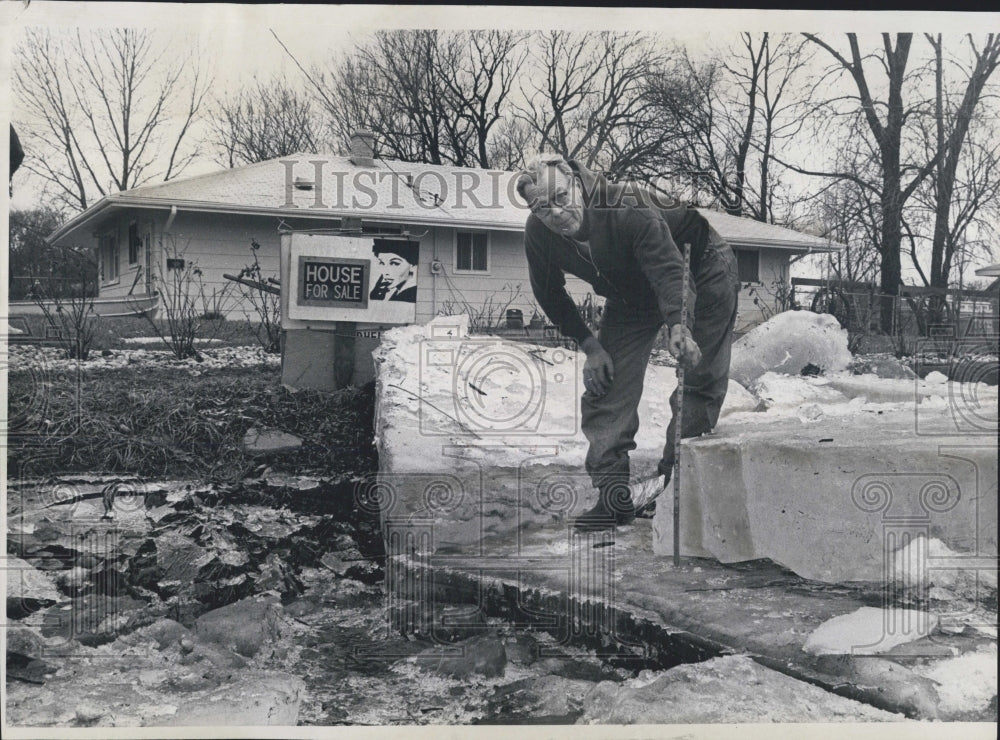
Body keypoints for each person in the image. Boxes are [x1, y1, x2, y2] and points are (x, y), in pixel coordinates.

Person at [516, 154, 740, 531]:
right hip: (630, 291)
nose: (554, 212)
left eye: (559, 196)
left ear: (575, 181)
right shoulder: (539, 235)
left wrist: (679, 326)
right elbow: (550, 294)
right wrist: (591, 347)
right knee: (606, 382)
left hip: (699, 266)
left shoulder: (627, 206)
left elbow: (670, 270)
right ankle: (613, 497)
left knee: (697, 379)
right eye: (541, 207)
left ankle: (675, 490)